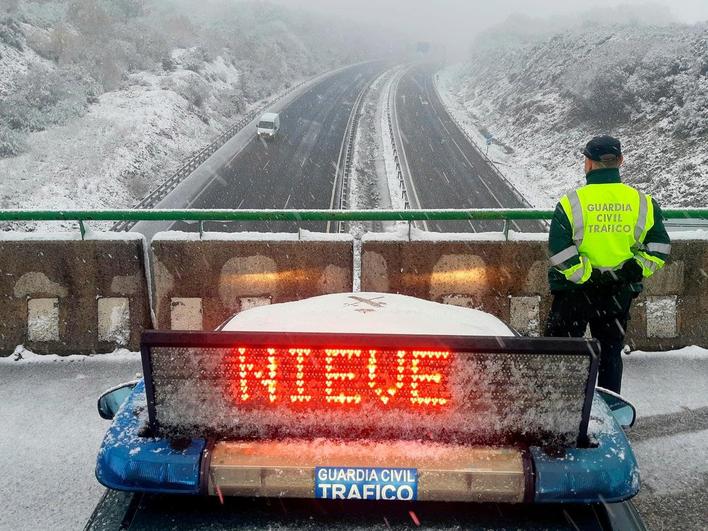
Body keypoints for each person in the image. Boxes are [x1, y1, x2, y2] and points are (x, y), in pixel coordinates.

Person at [545, 135, 671, 393]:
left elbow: (559, 251)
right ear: (620, 161)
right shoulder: (643, 203)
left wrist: (587, 276)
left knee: (562, 354)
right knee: (610, 356)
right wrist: (633, 269)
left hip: (574, 294)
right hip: (617, 294)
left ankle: (559, 410)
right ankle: (612, 412)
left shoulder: (571, 203)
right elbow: (659, 248)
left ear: (588, 164)